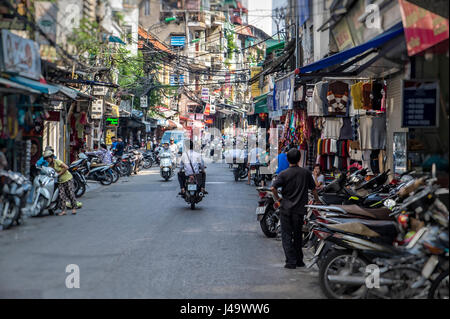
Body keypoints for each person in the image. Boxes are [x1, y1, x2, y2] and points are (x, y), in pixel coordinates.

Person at [271, 148, 319, 269]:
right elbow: (314, 190)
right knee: (298, 235)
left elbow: (273, 188)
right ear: (299, 159)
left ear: (287, 159)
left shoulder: (284, 173)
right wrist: (317, 201)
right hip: (299, 210)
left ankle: (290, 261)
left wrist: (279, 199)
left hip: (286, 209)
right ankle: (299, 260)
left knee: (286, 235)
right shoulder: (306, 173)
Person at [43, 150, 77, 216]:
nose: (47, 160)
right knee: (61, 196)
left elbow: (66, 167)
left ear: (52, 157)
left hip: (67, 179)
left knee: (70, 193)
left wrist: (59, 174)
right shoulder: (49, 165)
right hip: (60, 181)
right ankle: (63, 210)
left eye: (48, 158)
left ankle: (74, 208)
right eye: (46, 159)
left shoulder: (57, 162)